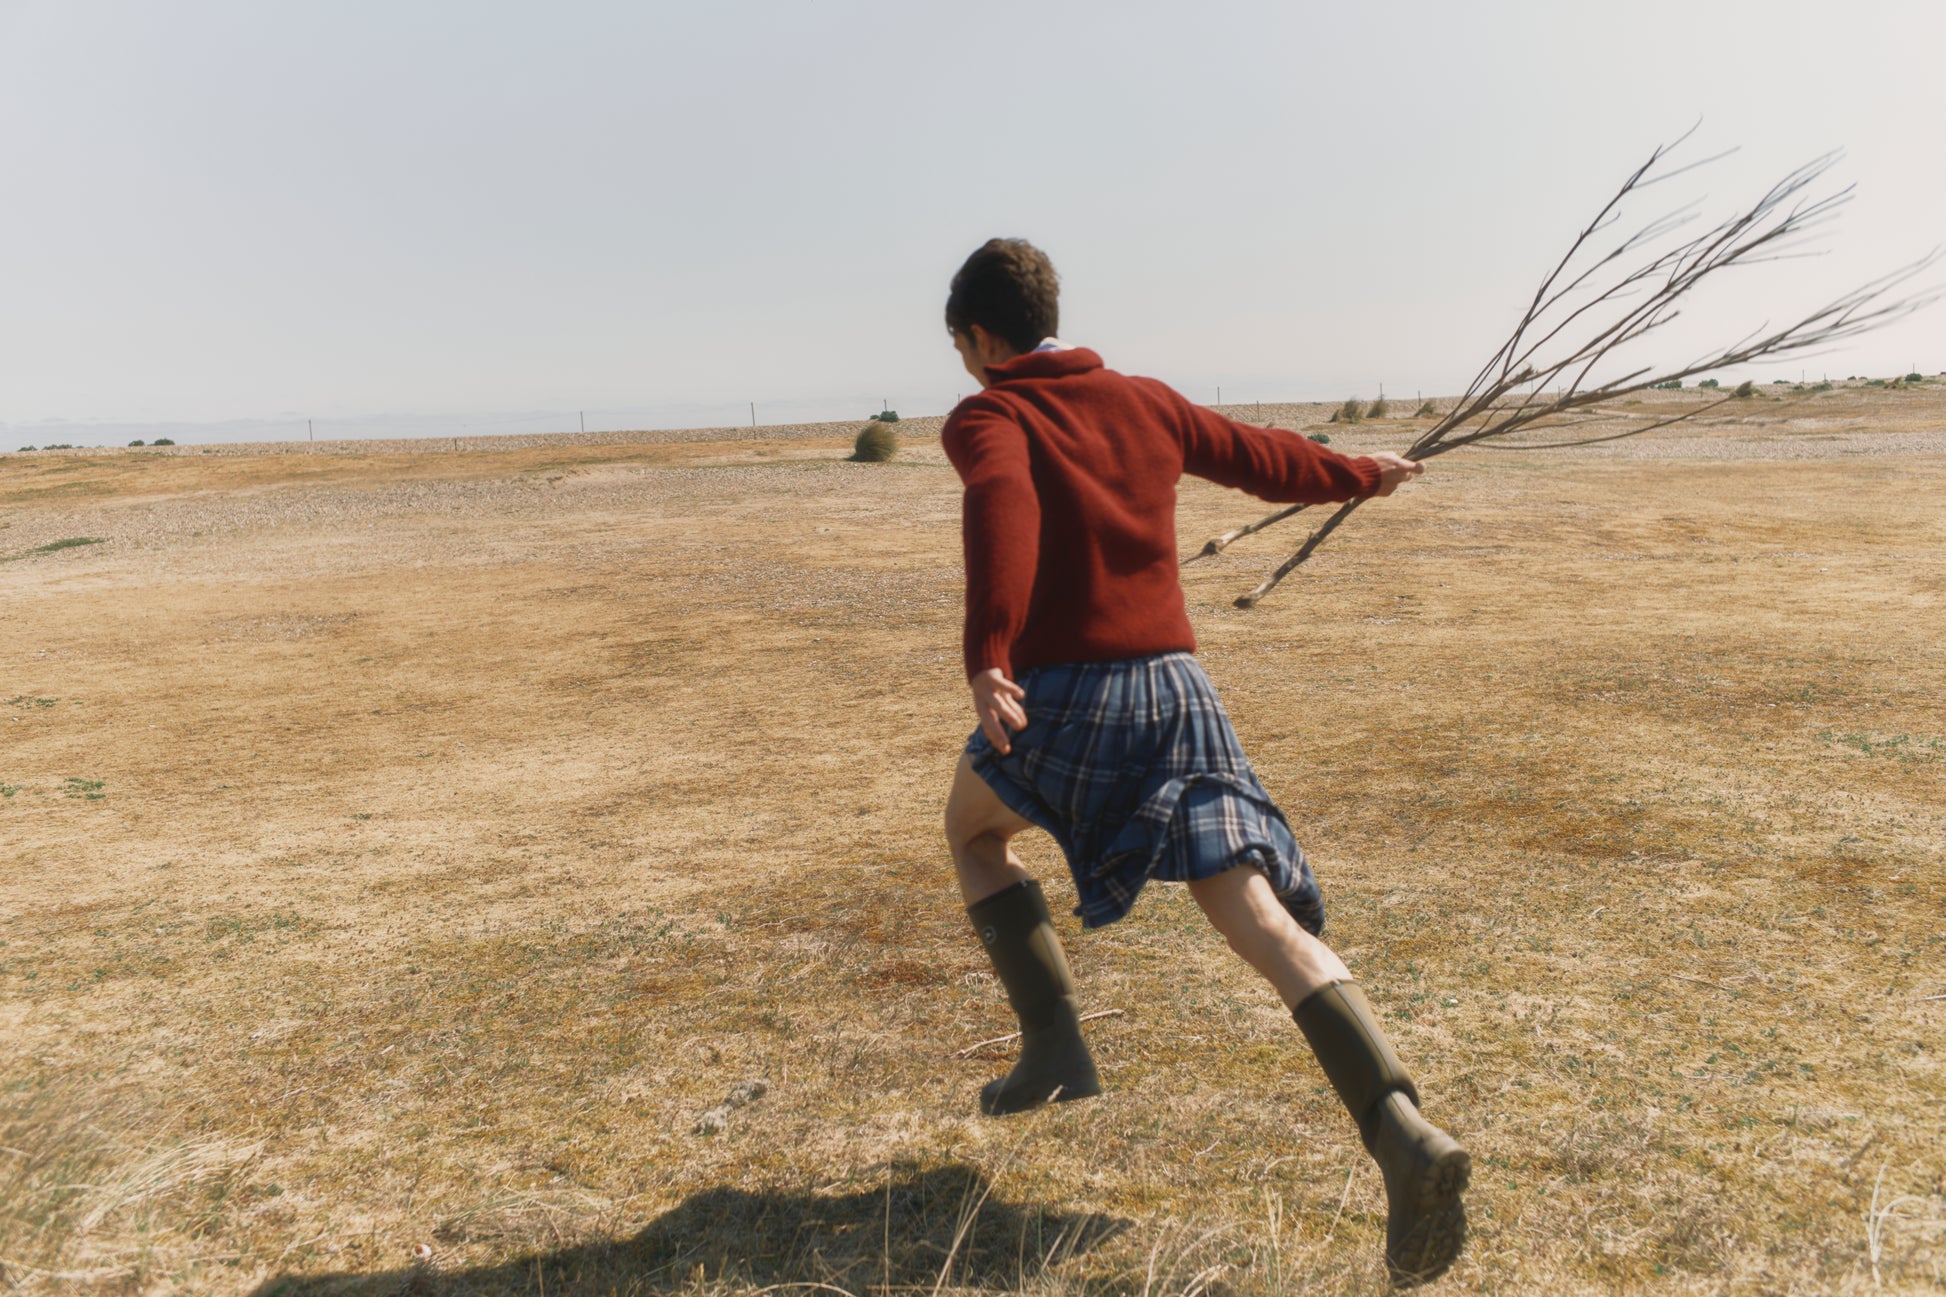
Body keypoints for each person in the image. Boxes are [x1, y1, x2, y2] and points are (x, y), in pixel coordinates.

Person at [938, 238, 1470, 1285]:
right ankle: (1400, 1128)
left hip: (1069, 691)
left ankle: (1051, 1050)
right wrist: (1362, 473)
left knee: (970, 832)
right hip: (1176, 690)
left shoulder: (992, 413)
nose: (963, 364)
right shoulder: (1145, 401)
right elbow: (1259, 453)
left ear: (984, 340)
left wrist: (987, 655)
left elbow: (1001, 504)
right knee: (1254, 913)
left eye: (961, 345)